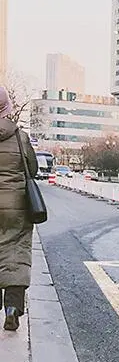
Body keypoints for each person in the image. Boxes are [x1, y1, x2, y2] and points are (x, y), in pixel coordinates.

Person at [0, 85, 38, 332]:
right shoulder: (19, 136)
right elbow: (32, 169)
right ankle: (12, 308)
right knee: (15, 253)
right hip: (15, 206)